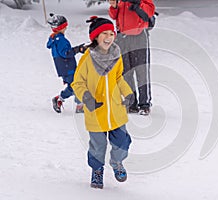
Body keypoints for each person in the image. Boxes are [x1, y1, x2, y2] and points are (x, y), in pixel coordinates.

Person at [71, 16, 134, 189]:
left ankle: (117, 162)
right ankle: (97, 171)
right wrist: (87, 98)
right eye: (104, 34)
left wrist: (128, 93)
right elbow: (77, 83)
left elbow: (118, 77)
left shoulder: (116, 54)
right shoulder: (87, 59)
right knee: (97, 146)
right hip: (95, 110)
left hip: (115, 110)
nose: (108, 37)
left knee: (122, 142)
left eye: (111, 33)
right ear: (95, 37)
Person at [108, 0, 155, 115]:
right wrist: (114, 6)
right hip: (122, 37)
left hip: (139, 36)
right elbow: (114, 15)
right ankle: (131, 102)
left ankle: (144, 104)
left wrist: (138, 3)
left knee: (141, 70)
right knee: (126, 71)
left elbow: (150, 11)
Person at [46, 13, 86, 113]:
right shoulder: (61, 40)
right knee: (76, 86)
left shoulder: (54, 39)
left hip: (63, 68)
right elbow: (66, 53)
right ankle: (79, 105)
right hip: (68, 68)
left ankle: (60, 99)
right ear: (62, 27)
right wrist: (78, 49)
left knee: (73, 85)